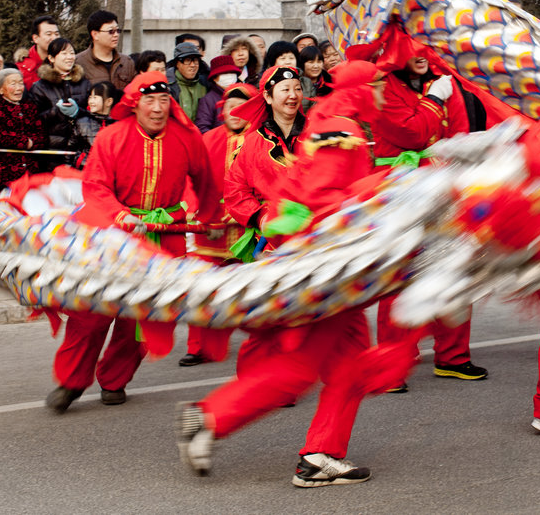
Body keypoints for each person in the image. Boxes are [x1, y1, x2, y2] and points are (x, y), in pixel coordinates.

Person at [176, 61, 414, 487]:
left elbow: (322, 194)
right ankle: (217, 418)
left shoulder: (327, 124)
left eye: (295, 87)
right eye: (381, 85)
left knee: (346, 364)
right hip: (324, 269)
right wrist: (382, 195)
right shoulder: (339, 129)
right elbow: (319, 198)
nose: (386, 94)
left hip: (327, 265)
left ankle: (313, 451)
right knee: (301, 366)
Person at [45, 71, 219, 413]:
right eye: (149, 100)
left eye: (164, 100)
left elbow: (206, 181)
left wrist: (209, 219)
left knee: (144, 316)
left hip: (165, 240)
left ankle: (115, 379)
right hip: (114, 237)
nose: (157, 108)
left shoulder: (187, 138)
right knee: (92, 311)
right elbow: (95, 186)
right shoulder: (112, 137)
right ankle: (72, 380)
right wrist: (120, 214)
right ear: (134, 103)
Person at [372, 45, 485, 387]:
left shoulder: (442, 81)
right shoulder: (384, 85)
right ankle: (392, 362)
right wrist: (435, 99)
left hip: (442, 189)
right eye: (411, 48)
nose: (420, 54)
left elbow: (460, 136)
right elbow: (411, 133)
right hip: (399, 192)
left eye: (425, 45)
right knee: (398, 277)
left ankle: (453, 356)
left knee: (454, 269)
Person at [181, 83, 258, 367]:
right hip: (209, 229)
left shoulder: (261, 140)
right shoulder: (207, 139)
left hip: (247, 229)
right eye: (230, 107)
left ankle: (262, 345)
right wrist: (200, 214)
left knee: (248, 290)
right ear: (221, 110)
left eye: (242, 108)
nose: (235, 113)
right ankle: (197, 346)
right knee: (200, 287)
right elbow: (192, 181)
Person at [224, 65, 305, 235]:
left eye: (297, 89)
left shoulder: (316, 133)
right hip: (271, 238)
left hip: (312, 233)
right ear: (268, 96)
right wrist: (261, 217)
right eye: (285, 89)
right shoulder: (253, 142)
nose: (293, 95)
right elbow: (235, 188)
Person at [28, 38, 91, 162]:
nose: (70, 57)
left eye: (72, 53)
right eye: (64, 53)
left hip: (80, 149)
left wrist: (78, 112)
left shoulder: (84, 83)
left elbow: (93, 114)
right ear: (51, 58)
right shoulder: (40, 87)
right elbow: (33, 120)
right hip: (52, 150)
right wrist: (56, 111)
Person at [0, 69, 46, 192]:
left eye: (21, 83)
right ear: (0, 89)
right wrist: (24, 142)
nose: (19, 88)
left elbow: (41, 134)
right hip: (4, 173)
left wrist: (33, 142)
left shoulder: (29, 107)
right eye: (13, 84)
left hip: (30, 172)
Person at [75, 10, 135, 90]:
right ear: (95, 34)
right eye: (111, 32)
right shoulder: (79, 63)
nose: (116, 35)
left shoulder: (127, 62)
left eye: (118, 31)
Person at [70, 82, 118, 168]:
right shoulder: (82, 122)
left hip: (109, 169)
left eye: (95, 98)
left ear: (109, 101)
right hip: (84, 168)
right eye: (90, 97)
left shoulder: (118, 125)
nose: (91, 101)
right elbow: (71, 147)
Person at [194, 55, 243, 133]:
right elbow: (202, 127)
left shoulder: (243, 95)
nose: (229, 76)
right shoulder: (208, 100)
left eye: (231, 73)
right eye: (224, 73)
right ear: (214, 78)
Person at [167, 42, 208, 122]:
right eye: (187, 60)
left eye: (195, 60)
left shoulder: (205, 83)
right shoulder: (169, 86)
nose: (192, 65)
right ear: (177, 63)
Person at [19, 15, 60, 89]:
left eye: (56, 34)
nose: (54, 38)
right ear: (35, 38)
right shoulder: (22, 69)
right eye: (49, 34)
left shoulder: (65, 63)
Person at [298, 45, 331, 111]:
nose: (316, 66)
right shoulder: (296, 83)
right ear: (302, 64)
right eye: (311, 62)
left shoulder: (330, 82)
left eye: (319, 62)